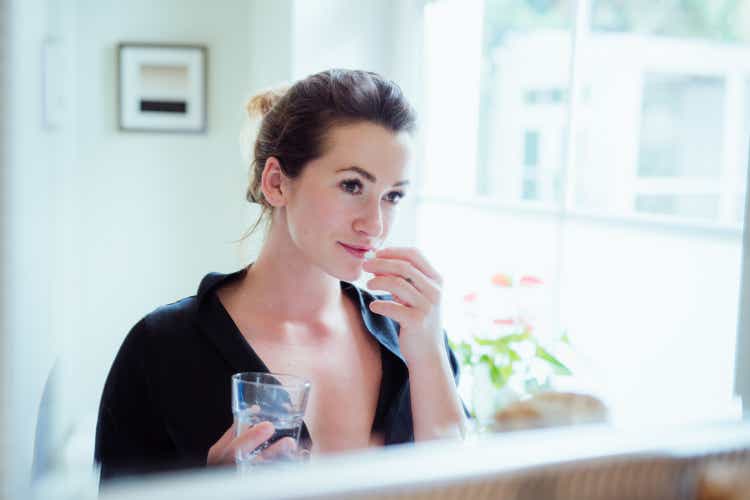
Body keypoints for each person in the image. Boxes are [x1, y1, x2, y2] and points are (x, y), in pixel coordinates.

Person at [94, 69, 467, 482]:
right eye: (351, 186)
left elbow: (464, 487)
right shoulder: (161, 348)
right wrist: (209, 491)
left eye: (393, 196)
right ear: (276, 183)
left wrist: (429, 354)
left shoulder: (411, 336)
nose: (375, 224)